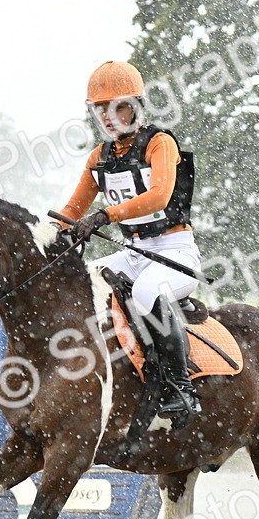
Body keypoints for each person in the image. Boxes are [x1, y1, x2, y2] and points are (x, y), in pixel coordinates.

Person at [56, 60, 201, 424]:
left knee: (145, 294)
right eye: (99, 109)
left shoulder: (160, 143)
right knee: (78, 283)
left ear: (135, 106)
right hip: (132, 253)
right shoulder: (98, 158)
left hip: (174, 251)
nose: (107, 116)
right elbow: (73, 209)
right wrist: (43, 235)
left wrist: (106, 215)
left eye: (116, 106)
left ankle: (182, 389)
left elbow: (159, 197)